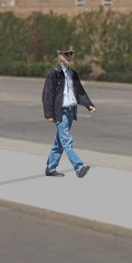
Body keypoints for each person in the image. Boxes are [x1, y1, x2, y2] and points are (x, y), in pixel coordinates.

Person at [41, 48, 95, 178]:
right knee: (66, 141)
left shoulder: (73, 74)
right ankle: (79, 167)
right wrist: (49, 114)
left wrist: (88, 104)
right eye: (66, 53)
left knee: (59, 142)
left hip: (71, 112)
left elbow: (80, 92)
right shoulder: (54, 74)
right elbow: (47, 94)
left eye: (71, 53)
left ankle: (50, 167)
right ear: (59, 55)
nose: (69, 56)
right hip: (61, 112)